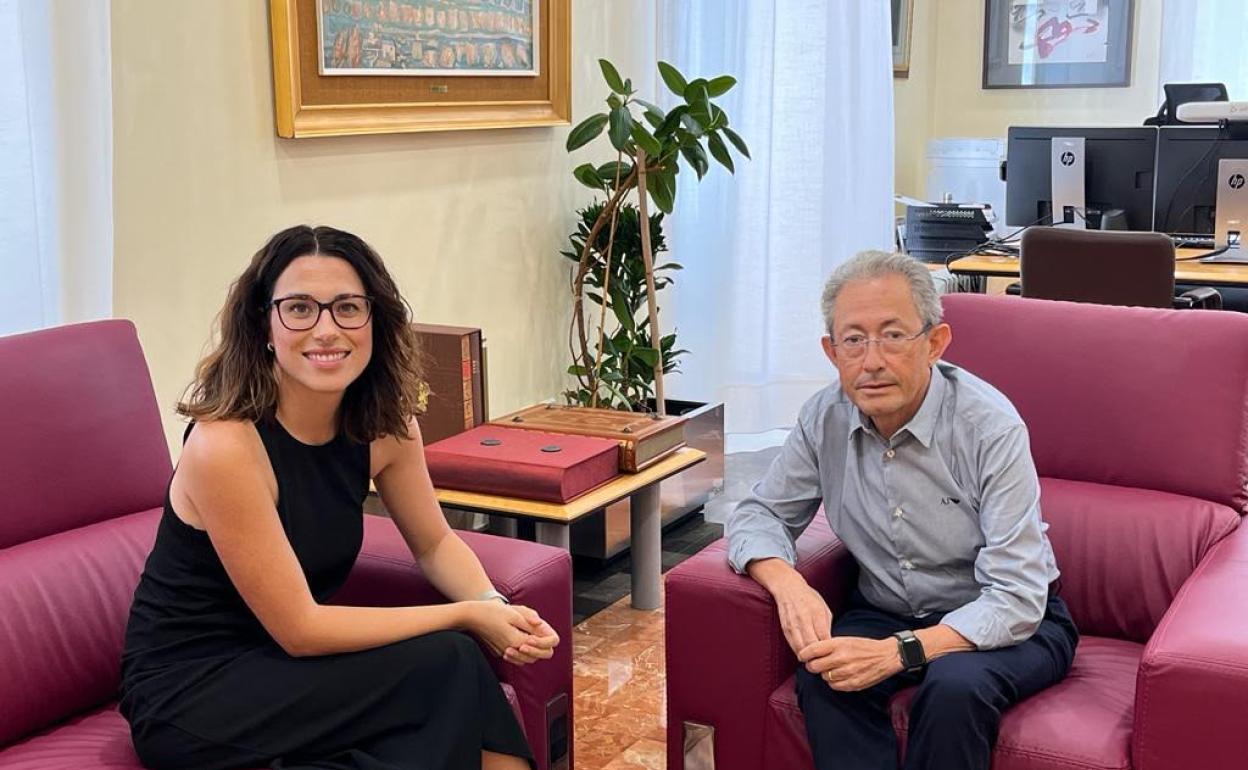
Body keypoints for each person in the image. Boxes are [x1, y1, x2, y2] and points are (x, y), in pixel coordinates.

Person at [120, 225, 557, 770]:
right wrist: (464, 616)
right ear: (264, 324)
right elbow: (301, 629)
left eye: (347, 307)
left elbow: (436, 543)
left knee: (452, 668)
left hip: (285, 668)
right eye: (300, 308)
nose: (326, 330)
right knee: (449, 659)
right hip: (194, 690)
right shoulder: (225, 447)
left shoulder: (387, 427)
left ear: (375, 320)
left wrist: (494, 607)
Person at [726, 250, 1078, 770]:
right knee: (827, 672)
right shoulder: (824, 417)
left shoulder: (989, 426)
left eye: (893, 335)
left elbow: (1018, 595)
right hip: (885, 610)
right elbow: (760, 513)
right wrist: (789, 584)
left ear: (935, 343)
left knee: (955, 687)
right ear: (831, 351)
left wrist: (901, 652)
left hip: (1009, 617)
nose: (871, 361)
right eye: (853, 340)